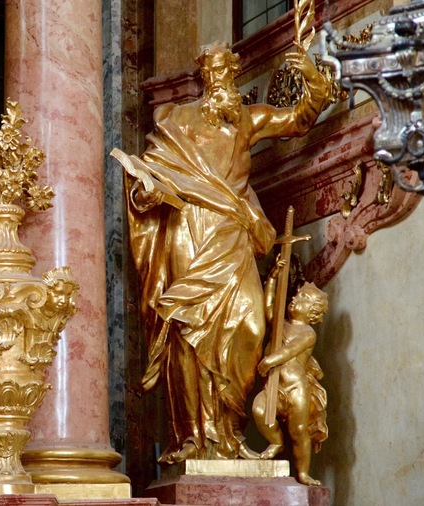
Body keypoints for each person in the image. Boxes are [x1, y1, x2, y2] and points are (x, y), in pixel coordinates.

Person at [126, 41, 329, 462]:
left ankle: (230, 433)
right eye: (212, 71)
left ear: (234, 73)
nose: (219, 79)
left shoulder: (248, 119)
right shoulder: (176, 119)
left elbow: (299, 119)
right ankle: (195, 437)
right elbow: (149, 176)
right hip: (188, 227)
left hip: (234, 232)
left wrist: (312, 78)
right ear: (203, 76)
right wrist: (147, 194)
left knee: (251, 325)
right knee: (189, 327)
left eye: (225, 71)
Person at [252, 262, 329, 486]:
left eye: (303, 298)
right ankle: (276, 441)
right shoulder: (280, 325)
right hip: (273, 387)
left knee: (299, 431)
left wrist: (270, 360)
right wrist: (273, 278)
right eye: (296, 295)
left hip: (296, 389)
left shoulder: (308, 333)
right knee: (259, 409)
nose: (295, 298)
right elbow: (268, 306)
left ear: (312, 312)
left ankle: (303, 473)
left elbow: (290, 350)